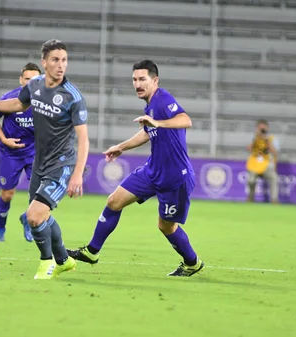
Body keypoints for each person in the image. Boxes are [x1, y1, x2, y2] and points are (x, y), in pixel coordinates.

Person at [67, 60, 205, 277]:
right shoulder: (150, 105)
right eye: (134, 79)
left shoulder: (162, 99)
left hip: (175, 178)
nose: (137, 84)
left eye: (142, 79)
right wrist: (121, 147)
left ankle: (192, 262)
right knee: (114, 201)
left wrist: (159, 123)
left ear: (155, 80)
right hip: (152, 170)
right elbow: (146, 132)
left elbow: (185, 120)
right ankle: (92, 252)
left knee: (166, 227)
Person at [0, 39, 89, 279]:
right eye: (55, 60)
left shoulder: (72, 96)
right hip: (39, 164)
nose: (61, 65)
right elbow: (17, 103)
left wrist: (77, 174)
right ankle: (64, 260)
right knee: (43, 216)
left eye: (64, 60)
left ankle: (47, 263)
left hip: (61, 165)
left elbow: (83, 139)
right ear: (44, 62)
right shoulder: (34, 85)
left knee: (34, 216)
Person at [0, 62, 42, 243]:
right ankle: (0, 229)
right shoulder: (10, 99)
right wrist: (4, 139)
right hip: (10, 153)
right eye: (27, 79)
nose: (30, 83)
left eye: (35, 80)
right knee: (7, 194)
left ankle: (28, 220)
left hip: (33, 152)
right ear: (21, 80)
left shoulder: (45, 101)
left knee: (39, 193)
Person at [246, 119, 279, 203]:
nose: (262, 131)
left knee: (273, 177)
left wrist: (267, 140)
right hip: (254, 165)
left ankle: (274, 200)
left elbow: (274, 152)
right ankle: (250, 198)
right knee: (251, 180)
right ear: (257, 128)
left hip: (266, 166)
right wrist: (256, 138)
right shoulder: (254, 138)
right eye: (260, 129)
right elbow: (249, 149)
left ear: (267, 128)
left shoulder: (272, 139)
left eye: (264, 129)